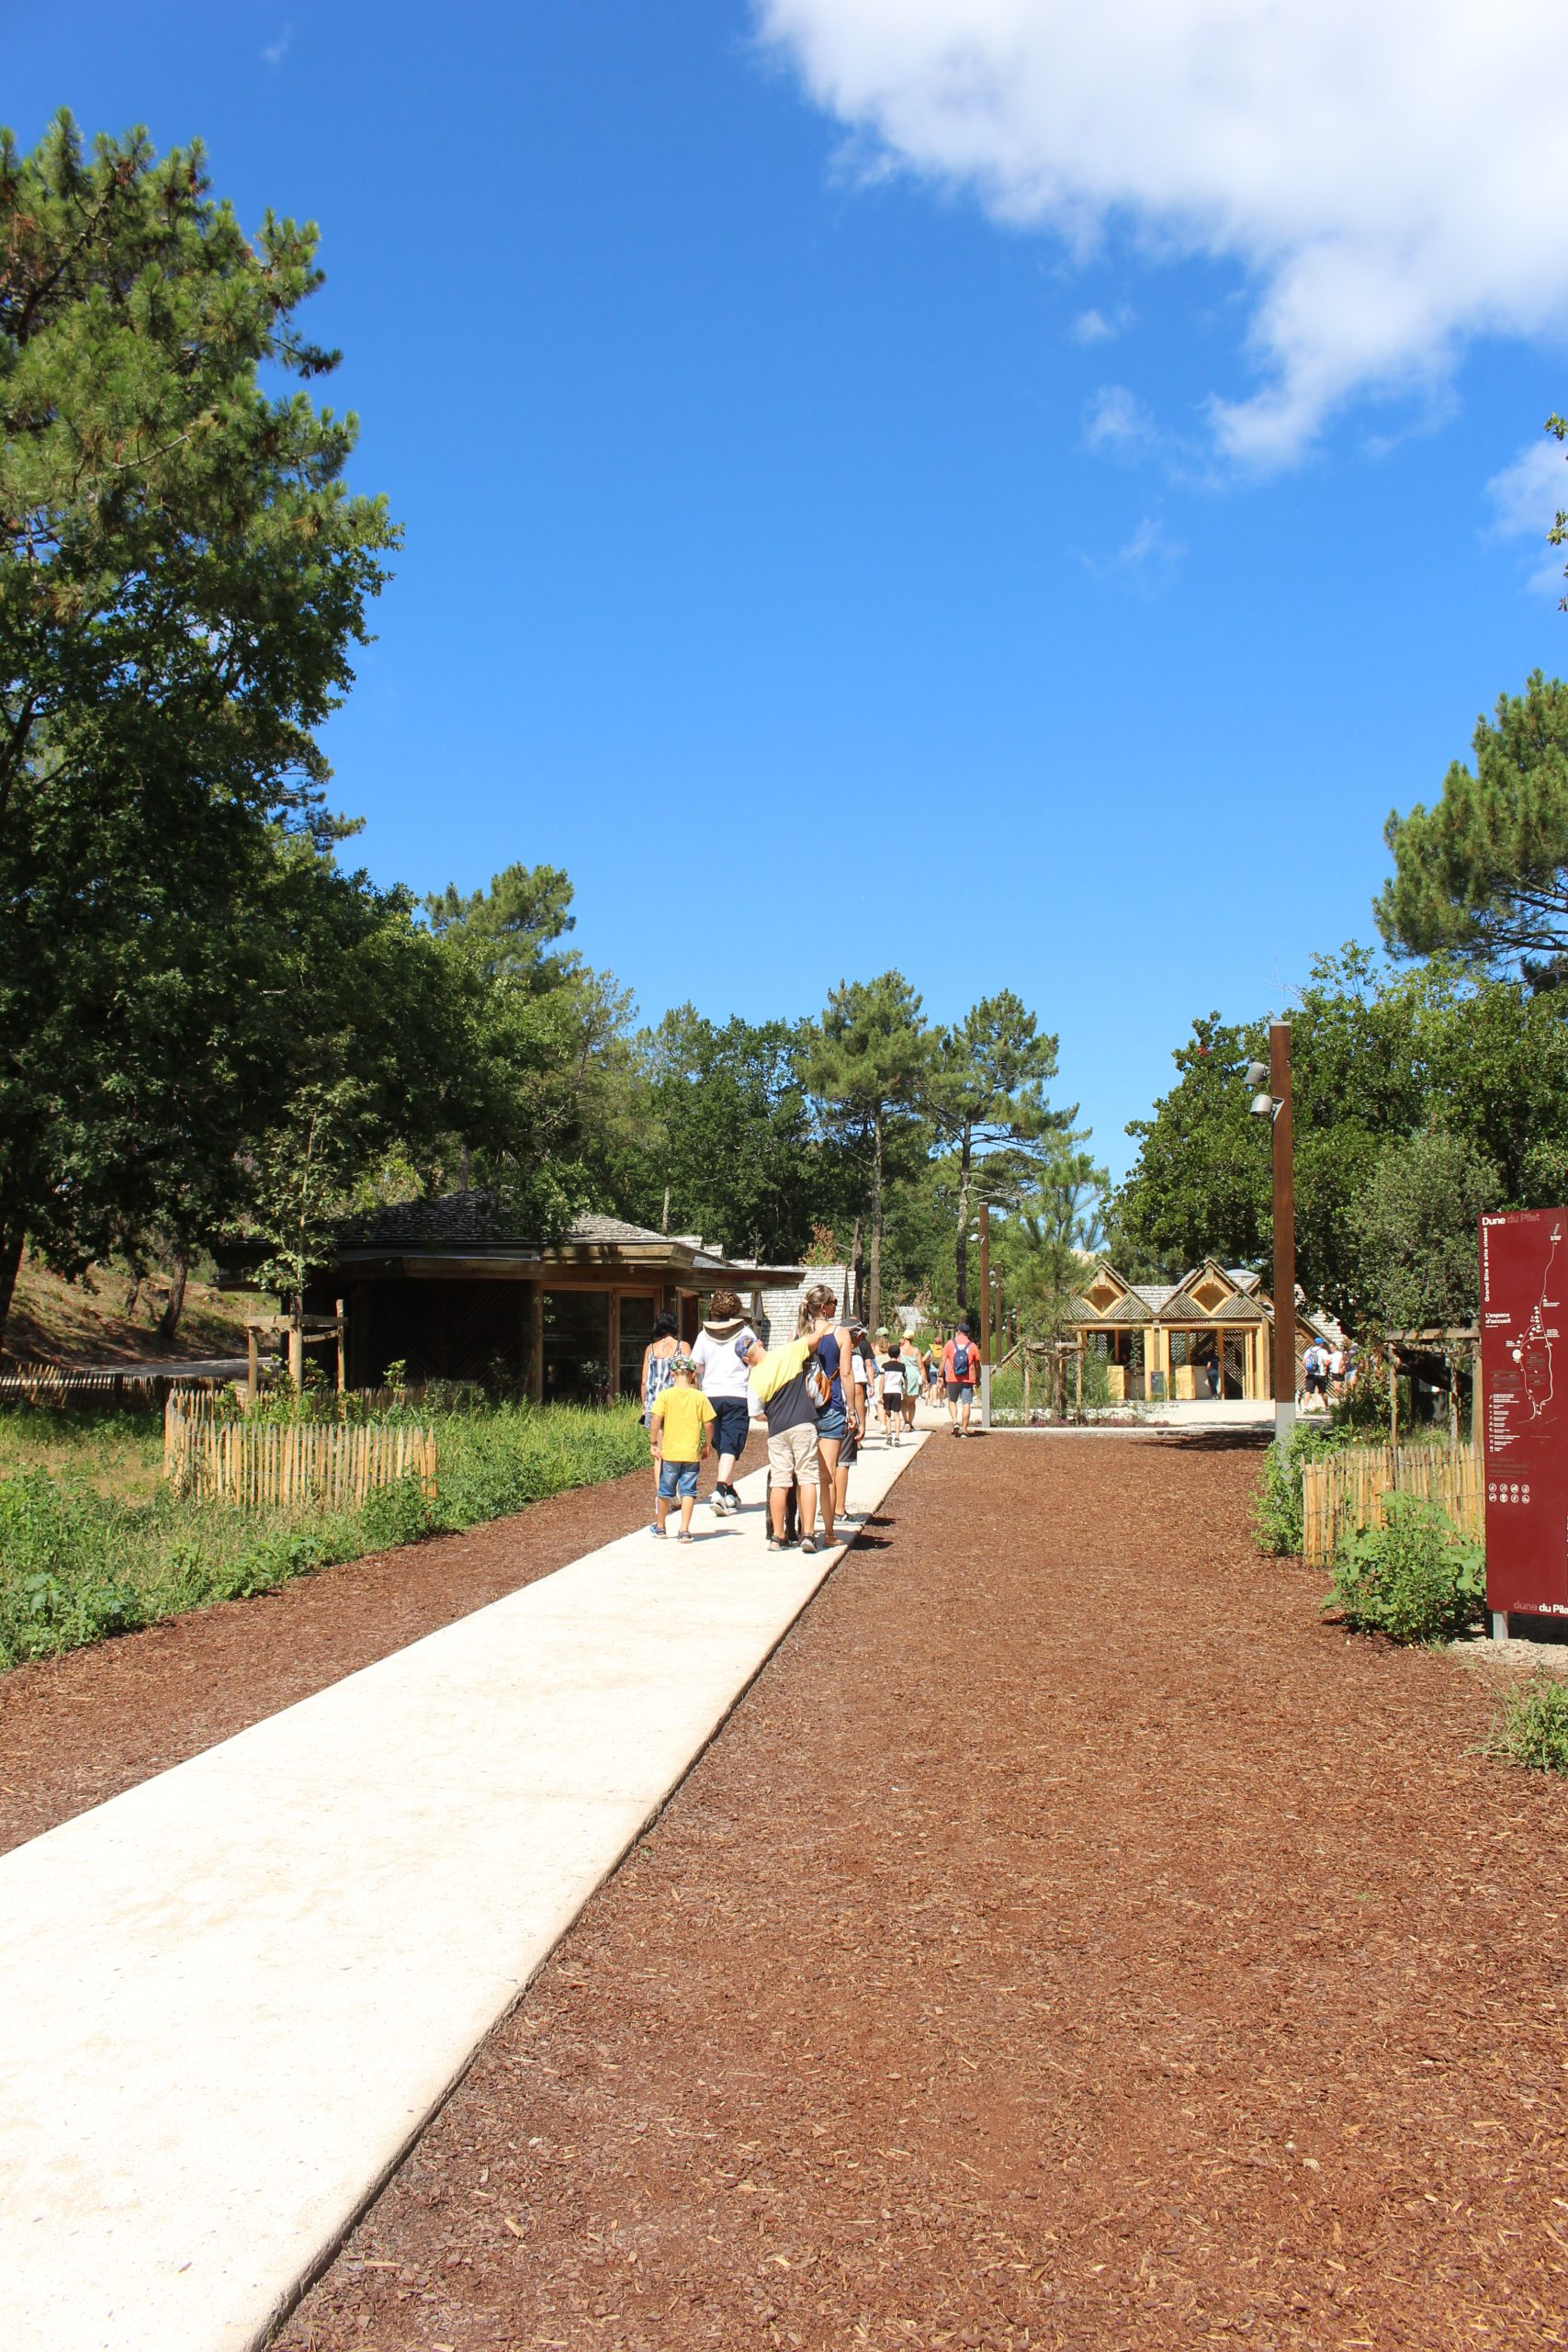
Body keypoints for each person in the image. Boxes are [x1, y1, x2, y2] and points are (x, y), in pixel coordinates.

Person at [737, 1326, 825, 1555]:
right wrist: (821, 1320)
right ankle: (808, 1533)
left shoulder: (754, 1379)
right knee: (807, 1478)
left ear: (747, 1360)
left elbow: (756, 1414)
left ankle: (778, 1536)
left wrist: (775, 1415)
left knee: (780, 1481)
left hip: (777, 1430)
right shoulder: (788, 1352)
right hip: (803, 1423)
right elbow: (816, 1337)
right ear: (761, 1344)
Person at [691, 1288, 757, 1515]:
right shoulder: (746, 1333)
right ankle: (719, 1491)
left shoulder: (703, 1335)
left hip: (710, 1396)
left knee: (722, 1444)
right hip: (737, 1394)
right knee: (730, 1445)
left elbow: (696, 1367)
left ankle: (729, 1492)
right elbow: (756, 1362)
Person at [800, 1282, 853, 1546]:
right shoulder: (840, 1334)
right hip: (831, 1406)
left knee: (803, 1472)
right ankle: (829, 1532)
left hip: (802, 1409)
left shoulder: (799, 1331)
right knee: (827, 1474)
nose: (836, 1306)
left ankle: (805, 1529)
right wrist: (852, 1410)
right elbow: (845, 1373)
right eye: (833, 1302)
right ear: (823, 1307)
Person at [648, 1352, 714, 1542]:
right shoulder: (699, 1397)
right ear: (693, 1375)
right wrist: (707, 1444)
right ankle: (684, 1530)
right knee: (688, 1491)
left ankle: (660, 1527)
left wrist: (653, 1443)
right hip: (691, 1453)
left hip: (670, 1452)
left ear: (672, 1374)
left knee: (665, 1491)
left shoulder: (665, 1395)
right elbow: (709, 1423)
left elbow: (656, 1419)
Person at [639, 1310, 681, 1499]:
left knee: (658, 1451)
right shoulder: (682, 1347)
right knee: (677, 1448)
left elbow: (644, 1381)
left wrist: (644, 1406)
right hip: (676, 1404)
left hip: (654, 1405)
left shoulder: (650, 1349)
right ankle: (677, 1492)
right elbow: (691, 1376)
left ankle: (661, 1493)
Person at [941, 1320, 979, 1436]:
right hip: (967, 1378)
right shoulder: (972, 1346)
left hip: (952, 1377)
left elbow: (943, 1360)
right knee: (966, 1403)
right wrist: (978, 1377)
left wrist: (940, 1375)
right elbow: (977, 1363)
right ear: (968, 1334)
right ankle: (964, 1430)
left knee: (952, 1400)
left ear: (958, 1332)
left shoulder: (950, 1344)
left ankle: (955, 1422)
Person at [879, 1340, 907, 1444]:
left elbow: (882, 1380)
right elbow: (905, 1379)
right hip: (897, 1391)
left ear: (888, 1354)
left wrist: (880, 1394)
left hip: (887, 1391)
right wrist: (905, 1390)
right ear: (898, 1354)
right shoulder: (902, 1366)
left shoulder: (884, 1366)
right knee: (897, 1414)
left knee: (887, 1414)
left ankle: (889, 1434)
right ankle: (897, 1437)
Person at [899, 1336, 920, 1432]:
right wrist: (925, 1379)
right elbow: (921, 1366)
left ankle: (906, 1422)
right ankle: (911, 1423)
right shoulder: (916, 1350)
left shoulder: (900, 1350)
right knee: (912, 1402)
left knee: (904, 1401)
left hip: (904, 1375)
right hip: (914, 1375)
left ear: (904, 1338)